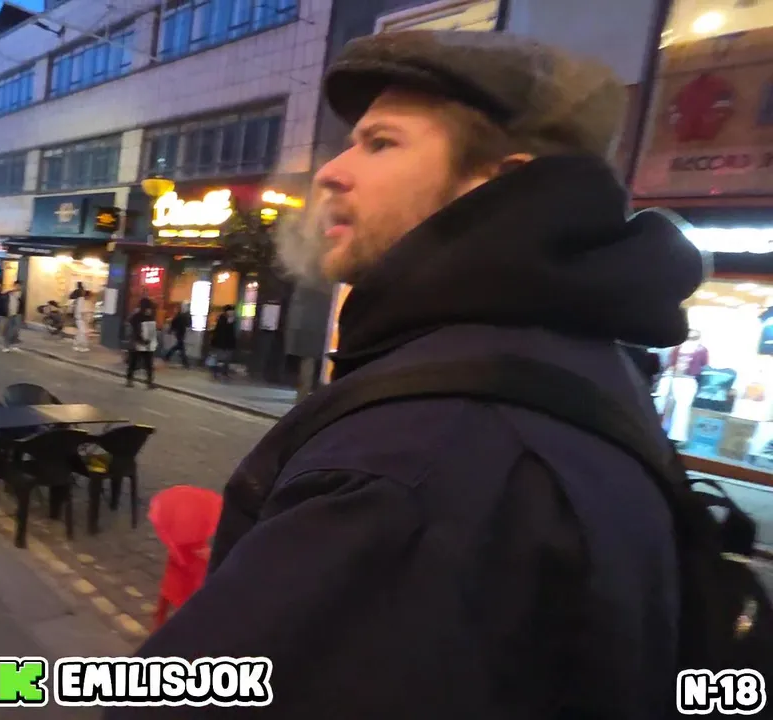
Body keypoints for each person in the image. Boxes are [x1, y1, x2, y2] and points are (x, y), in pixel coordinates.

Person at [107, 31, 703, 719]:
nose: (332, 171)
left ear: (497, 182)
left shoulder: (417, 455)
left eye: (381, 143)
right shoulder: (580, 360)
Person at [126, 298, 157, 389]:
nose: (149, 310)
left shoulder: (150, 317)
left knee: (149, 364)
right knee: (133, 362)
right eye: (148, 308)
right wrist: (142, 340)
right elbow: (135, 331)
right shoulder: (136, 317)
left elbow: (151, 330)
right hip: (137, 343)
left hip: (147, 344)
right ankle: (129, 380)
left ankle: (149, 382)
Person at [208, 305, 237, 380]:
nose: (232, 312)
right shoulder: (222, 319)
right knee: (219, 358)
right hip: (221, 343)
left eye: (232, 311)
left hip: (228, 344)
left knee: (226, 359)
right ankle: (217, 373)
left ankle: (223, 373)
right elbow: (221, 332)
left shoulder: (231, 319)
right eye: (231, 311)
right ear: (227, 311)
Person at [162, 304, 191, 368]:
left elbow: (173, 323)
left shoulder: (180, 315)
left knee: (178, 347)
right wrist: (171, 330)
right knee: (181, 347)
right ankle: (185, 362)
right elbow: (187, 324)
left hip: (179, 333)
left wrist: (171, 330)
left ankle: (167, 356)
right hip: (181, 333)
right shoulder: (184, 316)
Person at [2, 280, 25, 351]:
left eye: (20, 286)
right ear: (14, 285)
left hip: (18, 313)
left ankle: (13, 344)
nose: (18, 287)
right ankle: (6, 346)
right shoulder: (9, 293)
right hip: (10, 313)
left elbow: (22, 304)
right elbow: (3, 297)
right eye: (17, 285)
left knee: (16, 330)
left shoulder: (21, 294)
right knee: (10, 330)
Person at [70, 282, 90, 352]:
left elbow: (78, 310)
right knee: (83, 332)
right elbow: (81, 310)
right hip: (80, 319)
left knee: (81, 332)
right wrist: (84, 317)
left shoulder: (78, 300)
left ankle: (77, 345)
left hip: (79, 318)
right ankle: (81, 346)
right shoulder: (81, 300)